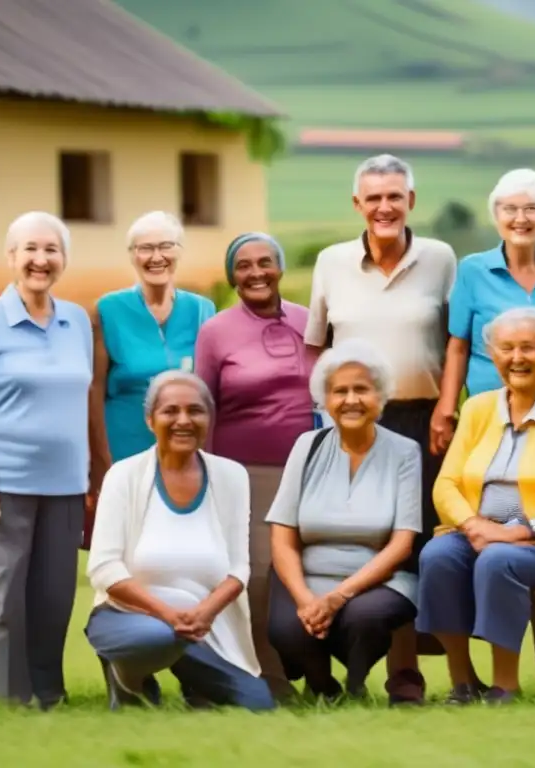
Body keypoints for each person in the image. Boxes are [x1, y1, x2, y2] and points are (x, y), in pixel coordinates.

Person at [304, 154, 457, 704]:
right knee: (362, 539)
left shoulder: (441, 259)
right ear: (358, 204)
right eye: (374, 198)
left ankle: (406, 672)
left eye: (395, 196)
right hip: (354, 424)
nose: (385, 207)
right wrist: (324, 416)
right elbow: (315, 347)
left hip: (425, 421)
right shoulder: (331, 262)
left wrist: (446, 408)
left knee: (416, 545)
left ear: (410, 201)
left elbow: (456, 342)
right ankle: (343, 666)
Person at [417, 307, 535, 704]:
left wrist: (522, 530)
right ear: (492, 355)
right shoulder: (478, 408)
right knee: (437, 556)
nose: (517, 357)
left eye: (529, 348)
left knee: (498, 560)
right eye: (507, 348)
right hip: (478, 532)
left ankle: (505, 685)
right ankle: (463, 681)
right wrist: (472, 525)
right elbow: (446, 484)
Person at [0, 211, 91, 708]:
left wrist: (91, 476)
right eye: (30, 249)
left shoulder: (77, 320)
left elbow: (84, 399)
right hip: (3, 483)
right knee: (7, 599)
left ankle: (49, 693)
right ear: (11, 257)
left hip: (66, 485)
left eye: (51, 249)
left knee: (54, 598)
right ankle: (11, 700)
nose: (40, 259)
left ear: (63, 259)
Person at [84, 371, 275, 712]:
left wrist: (205, 613)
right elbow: (103, 568)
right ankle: (129, 679)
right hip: (127, 617)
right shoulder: (123, 475)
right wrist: (166, 615)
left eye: (195, 411)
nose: (183, 420)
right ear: (150, 420)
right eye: (170, 411)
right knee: (157, 636)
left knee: (257, 703)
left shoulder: (232, 475)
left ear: (209, 419)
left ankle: (194, 684)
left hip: (203, 625)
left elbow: (238, 568)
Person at [266, 339, 422, 701]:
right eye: (340, 391)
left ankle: (355, 684)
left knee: (363, 618)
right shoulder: (306, 446)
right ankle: (324, 687)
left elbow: (402, 544)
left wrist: (338, 596)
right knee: (288, 627)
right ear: (325, 399)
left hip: (380, 580)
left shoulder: (404, 451)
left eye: (361, 389)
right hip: (309, 577)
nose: (351, 400)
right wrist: (305, 599)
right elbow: (282, 536)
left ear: (380, 396)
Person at [194, 232, 314, 699]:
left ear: (279, 268)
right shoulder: (215, 332)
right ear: (232, 276)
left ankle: (318, 675)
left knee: (312, 571)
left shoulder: (310, 321)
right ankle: (270, 679)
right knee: (260, 577)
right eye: (243, 265)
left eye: (265, 262)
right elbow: (203, 408)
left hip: (311, 470)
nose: (256, 272)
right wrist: (204, 478)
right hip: (246, 474)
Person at [431, 169, 535, 456]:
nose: (521, 218)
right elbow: (458, 346)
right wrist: (446, 406)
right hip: (492, 415)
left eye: (532, 208)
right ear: (496, 216)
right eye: (510, 209)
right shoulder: (472, 271)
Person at [89, 211, 216, 492]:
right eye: (145, 248)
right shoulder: (108, 309)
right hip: (123, 448)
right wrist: (100, 461)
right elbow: (94, 390)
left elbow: (211, 388)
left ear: (179, 251)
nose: (156, 257)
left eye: (166, 246)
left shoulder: (202, 309)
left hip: (186, 451)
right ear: (132, 255)